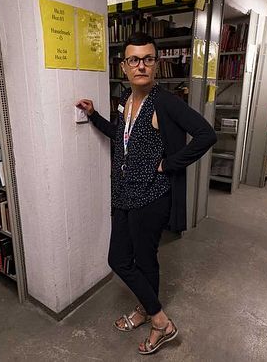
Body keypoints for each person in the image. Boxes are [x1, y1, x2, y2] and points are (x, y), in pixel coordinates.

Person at [76, 32, 216, 355]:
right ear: (124, 66)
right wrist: (95, 115)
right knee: (124, 259)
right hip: (124, 194)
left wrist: (168, 164)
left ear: (155, 64)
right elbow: (121, 136)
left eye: (147, 59)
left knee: (140, 259)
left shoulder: (164, 101)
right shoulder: (127, 99)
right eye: (134, 60)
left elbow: (206, 135)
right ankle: (147, 308)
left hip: (150, 198)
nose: (141, 66)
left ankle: (159, 321)